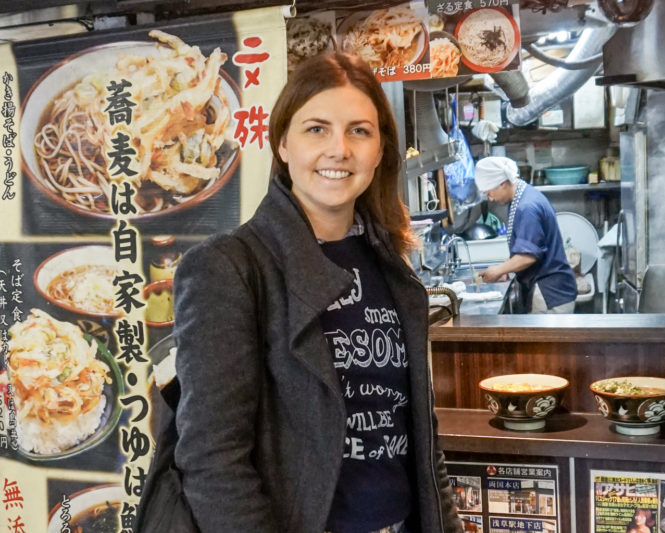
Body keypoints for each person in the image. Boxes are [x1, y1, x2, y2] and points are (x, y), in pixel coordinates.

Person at [170, 53, 462, 532]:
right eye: (316, 129)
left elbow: (420, 439)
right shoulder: (229, 267)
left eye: (359, 131)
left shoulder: (390, 266)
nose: (339, 149)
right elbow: (211, 461)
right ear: (282, 143)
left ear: (380, 150)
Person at [475, 156, 577, 313]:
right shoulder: (520, 197)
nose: (491, 199)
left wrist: (499, 270)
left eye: (489, 193)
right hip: (548, 289)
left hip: (549, 293)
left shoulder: (526, 207)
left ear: (502, 184)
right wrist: (507, 268)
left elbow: (528, 256)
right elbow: (524, 245)